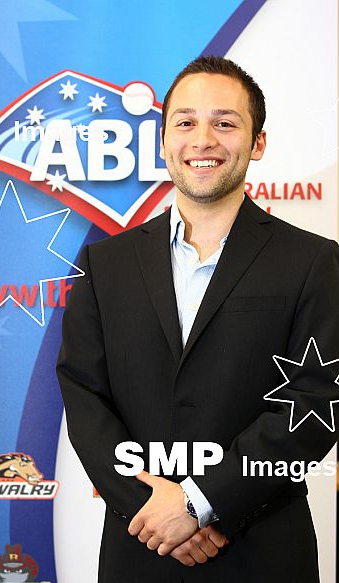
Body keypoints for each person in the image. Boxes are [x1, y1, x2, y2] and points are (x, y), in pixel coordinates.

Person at [57, 56, 339, 582]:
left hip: (263, 550)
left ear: (258, 142)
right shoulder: (103, 264)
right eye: (185, 122)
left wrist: (201, 503)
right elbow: (84, 395)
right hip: (140, 547)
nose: (203, 140)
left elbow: (316, 400)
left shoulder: (314, 262)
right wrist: (151, 511)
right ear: (164, 141)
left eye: (225, 123)